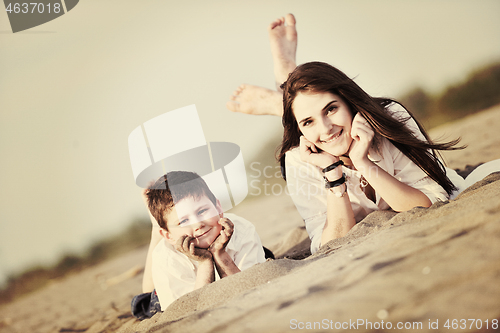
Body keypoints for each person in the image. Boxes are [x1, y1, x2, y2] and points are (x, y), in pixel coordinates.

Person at [226, 14, 499, 254]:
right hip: (313, 151)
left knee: (312, 112)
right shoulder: (300, 157)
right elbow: (328, 244)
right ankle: (282, 93)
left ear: (349, 101)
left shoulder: (389, 119)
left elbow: (429, 201)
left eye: (332, 108)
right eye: (307, 122)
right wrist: (332, 174)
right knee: (310, 118)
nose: (325, 128)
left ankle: (280, 97)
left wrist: (365, 164)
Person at [131, 171, 266, 319]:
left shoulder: (242, 229)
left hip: (230, 263)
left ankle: (166, 224)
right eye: (183, 221)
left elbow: (248, 285)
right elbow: (191, 311)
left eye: (202, 211)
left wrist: (220, 255)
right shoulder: (166, 258)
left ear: (219, 208)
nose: (198, 224)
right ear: (169, 236)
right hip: (181, 289)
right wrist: (204, 263)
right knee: (145, 302)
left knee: (265, 256)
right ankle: (157, 230)